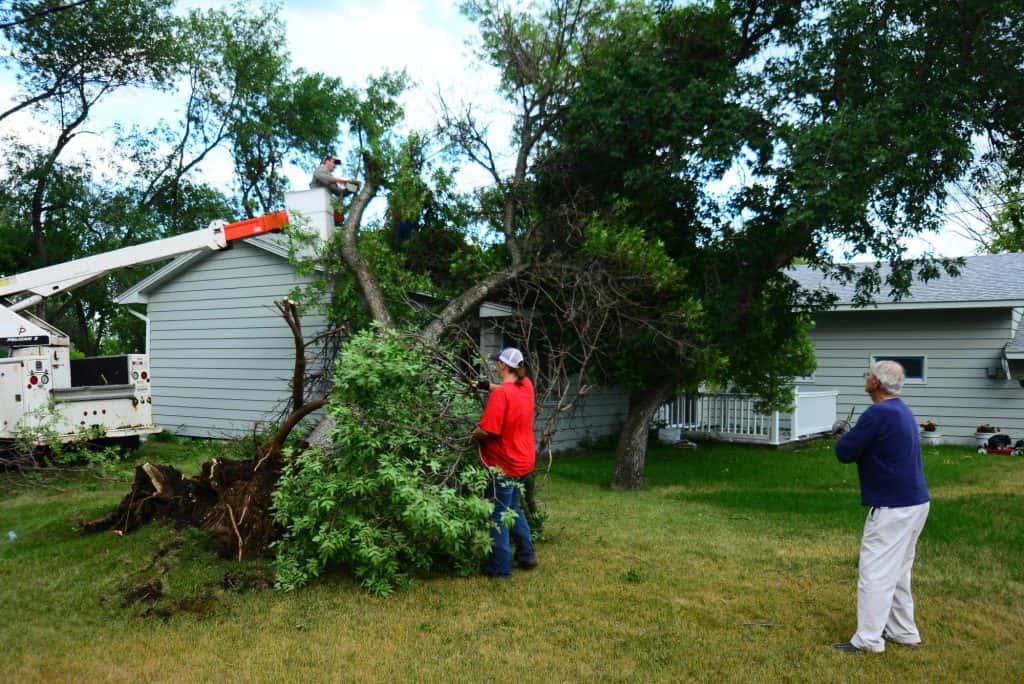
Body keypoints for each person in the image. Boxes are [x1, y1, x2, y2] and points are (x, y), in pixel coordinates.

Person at [832, 360, 930, 654]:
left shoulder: (878, 413)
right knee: (898, 571)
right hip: (916, 502)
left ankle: (868, 640)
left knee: (875, 572)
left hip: (893, 506)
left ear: (876, 383)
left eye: (868, 375)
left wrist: (845, 434)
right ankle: (903, 632)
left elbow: (844, 452)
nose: (866, 378)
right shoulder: (901, 410)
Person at [472, 347, 538, 578]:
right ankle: (527, 556)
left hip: (505, 464)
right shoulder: (526, 386)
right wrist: (483, 386)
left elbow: (488, 431)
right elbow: (507, 390)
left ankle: (500, 570)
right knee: (513, 508)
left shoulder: (502, 396)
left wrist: (473, 434)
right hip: (524, 460)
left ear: (502, 366)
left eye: (497, 362)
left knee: (498, 514)